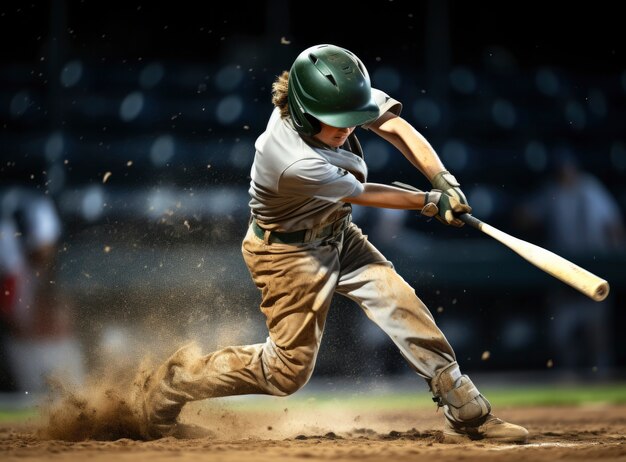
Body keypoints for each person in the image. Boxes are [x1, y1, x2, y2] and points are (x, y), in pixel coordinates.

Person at [135, 44, 528, 443]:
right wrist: (427, 202)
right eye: (335, 121)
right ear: (305, 115)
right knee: (286, 372)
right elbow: (362, 193)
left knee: (398, 299)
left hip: (337, 231)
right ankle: (176, 383)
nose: (346, 129)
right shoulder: (289, 158)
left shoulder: (330, 97)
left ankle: (460, 404)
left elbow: (394, 126)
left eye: (350, 119)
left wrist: (443, 179)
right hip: (288, 254)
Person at [518, 150, 624, 378]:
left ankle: (601, 376)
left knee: (596, 330)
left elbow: (613, 225)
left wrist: (615, 256)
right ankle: (568, 376)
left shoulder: (590, 188)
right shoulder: (551, 191)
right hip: (564, 272)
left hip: (592, 269)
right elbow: (525, 216)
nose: (565, 174)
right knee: (562, 332)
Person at [0, 187, 85, 394]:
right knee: (41, 401)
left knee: (79, 396)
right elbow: (10, 313)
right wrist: (29, 330)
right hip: (27, 345)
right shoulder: (13, 268)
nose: (48, 250)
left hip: (56, 340)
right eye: (43, 245)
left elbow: (62, 306)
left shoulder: (47, 268)